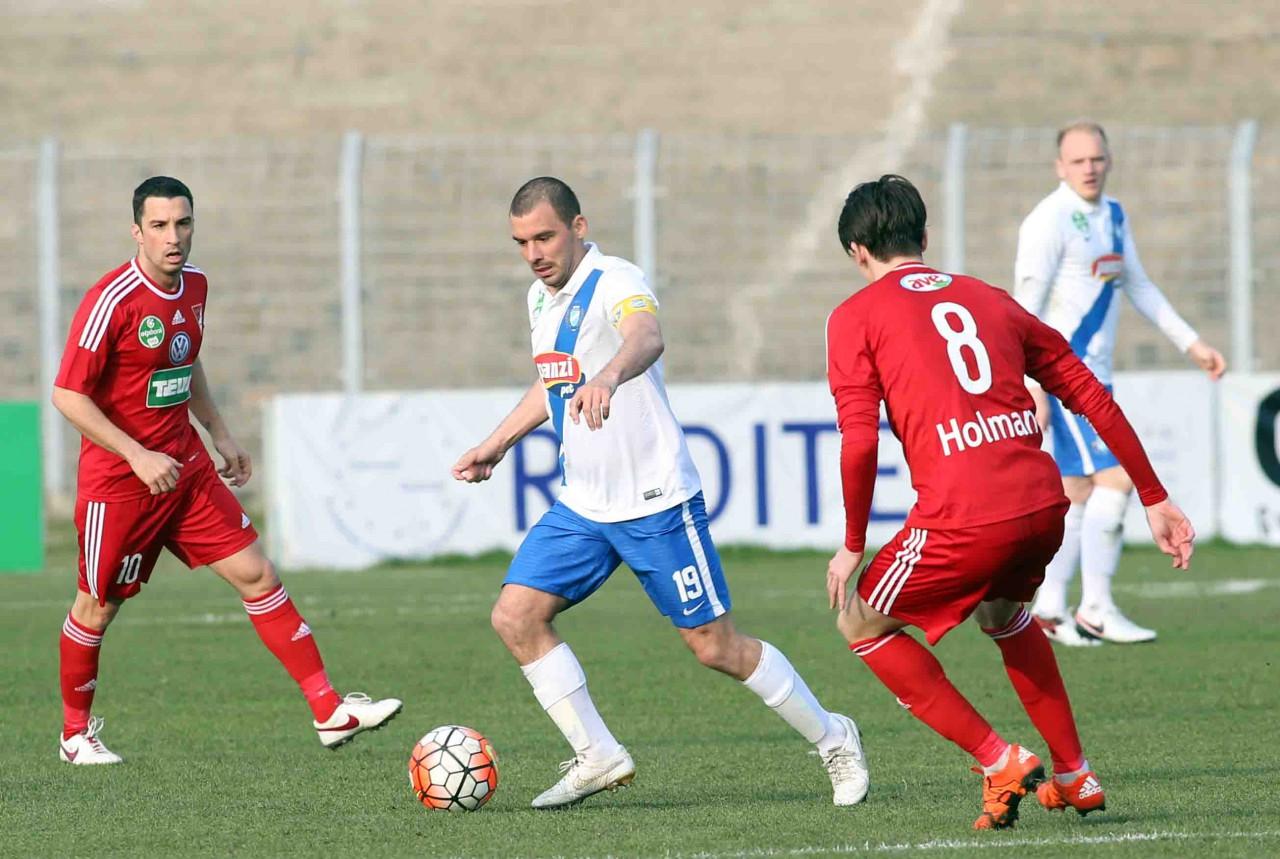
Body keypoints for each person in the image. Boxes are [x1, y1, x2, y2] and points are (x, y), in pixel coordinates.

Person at [451, 176, 868, 809]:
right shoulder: (540, 299)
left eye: (545, 237)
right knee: (516, 616)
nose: (534, 253)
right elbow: (554, 381)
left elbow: (646, 335)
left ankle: (835, 737)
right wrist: (498, 442)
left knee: (715, 647)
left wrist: (609, 378)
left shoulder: (615, 279)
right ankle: (598, 754)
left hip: (655, 501)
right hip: (584, 504)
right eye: (522, 243)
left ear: (578, 227)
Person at [824, 175, 1195, 829]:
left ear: (857, 251)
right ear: (925, 236)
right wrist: (1154, 494)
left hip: (964, 517)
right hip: (1041, 506)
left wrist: (852, 543)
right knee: (1003, 611)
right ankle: (1075, 773)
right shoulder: (989, 298)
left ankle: (1000, 760)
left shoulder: (855, 316)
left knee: (859, 623)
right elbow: (1089, 392)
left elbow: (859, 443)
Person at [52, 176, 400, 765]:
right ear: (136, 231)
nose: (173, 237)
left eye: (183, 223)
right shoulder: (110, 300)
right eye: (159, 226)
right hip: (120, 485)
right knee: (97, 607)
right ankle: (74, 735)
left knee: (257, 574)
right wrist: (136, 455)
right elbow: (67, 395)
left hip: (185, 470)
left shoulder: (196, 285)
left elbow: (185, 362)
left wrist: (219, 431)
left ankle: (328, 710)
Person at [1015, 121, 1226, 646]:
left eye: (1096, 159)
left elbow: (1139, 285)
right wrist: (1031, 385)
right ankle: (1096, 608)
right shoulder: (1048, 220)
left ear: (1108, 161)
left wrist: (1192, 343)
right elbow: (1024, 309)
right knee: (1117, 479)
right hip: (1064, 377)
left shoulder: (1112, 215)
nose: (1089, 168)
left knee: (1078, 491)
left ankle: (1049, 608)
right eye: (1078, 161)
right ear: (1059, 167)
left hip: (1095, 379)